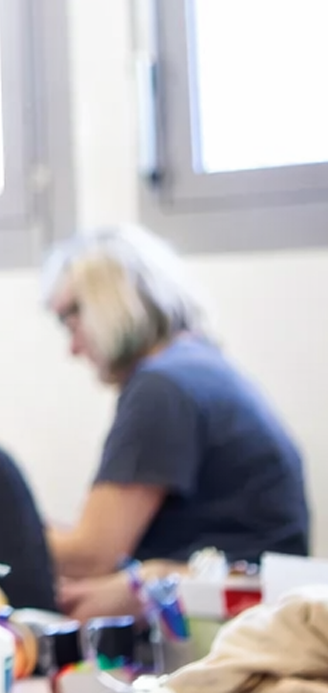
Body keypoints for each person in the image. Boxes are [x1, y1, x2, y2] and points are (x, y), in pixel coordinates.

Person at [42, 226, 311, 620]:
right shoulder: (195, 366)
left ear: (106, 306)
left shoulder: (161, 388)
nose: (73, 347)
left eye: (70, 320)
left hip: (231, 615)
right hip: (252, 598)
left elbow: (91, 555)